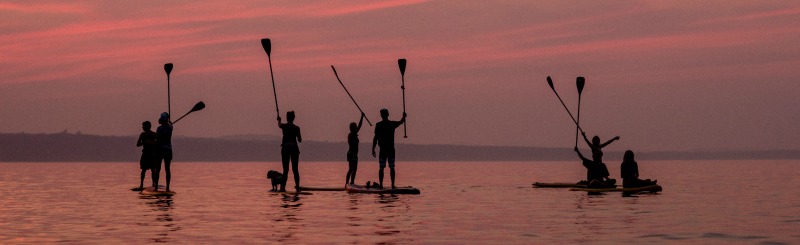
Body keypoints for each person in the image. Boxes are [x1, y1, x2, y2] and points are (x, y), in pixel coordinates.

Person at [372, 108, 406, 189]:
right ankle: (389, 185)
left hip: (387, 149)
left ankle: (385, 184)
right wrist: (403, 117)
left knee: (385, 167)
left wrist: (403, 117)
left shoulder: (386, 124)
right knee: (388, 167)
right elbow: (376, 137)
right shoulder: (384, 124)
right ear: (387, 114)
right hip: (387, 149)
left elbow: (375, 138)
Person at [278, 111, 302, 192]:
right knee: (295, 169)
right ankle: (297, 187)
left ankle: (283, 187)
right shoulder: (296, 128)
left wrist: (279, 120)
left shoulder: (284, 126)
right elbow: (300, 140)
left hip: (285, 150)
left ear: (287, 118)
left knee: (285, 170)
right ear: (294, 118)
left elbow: (279, 125)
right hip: (294, 150)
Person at [345, 113, 365, 186]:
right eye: (355, 127)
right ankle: (351, 183)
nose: (357, 128)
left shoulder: (351, 134)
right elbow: (360, 126)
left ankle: (347, 183)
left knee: (351, 169)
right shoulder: (352, 134)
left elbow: (358, 127)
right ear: (353, 128)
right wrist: (362, 117)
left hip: (350, 153)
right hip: (353, 153)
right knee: (354, 169)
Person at [155, 112, 173, 192]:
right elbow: (170, 124)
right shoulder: (170, 127)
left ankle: (155, 187)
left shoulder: (159, 129)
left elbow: (157, 139)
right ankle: (167, 187)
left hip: (160, 150)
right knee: (167, 169)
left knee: (158, 169)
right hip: (168, 150)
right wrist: (169, 122)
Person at [136, 121, 157, 189]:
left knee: (152, 170)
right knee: (145, 169)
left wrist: (148, 142)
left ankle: (153, 184)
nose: (142, 127)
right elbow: (138, 144)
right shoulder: (143, 134)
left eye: (143, 126)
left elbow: (157, 143)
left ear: (147, 127)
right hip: (146, 154)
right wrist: (143, 142)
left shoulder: (153, 134)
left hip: (151, 154)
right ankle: (142, 184)